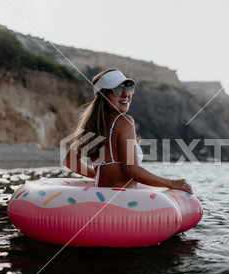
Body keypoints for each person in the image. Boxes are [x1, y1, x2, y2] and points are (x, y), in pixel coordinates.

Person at [63, 69, 193, 194]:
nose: (126, 94)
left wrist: (97, 174)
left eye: (128, 88)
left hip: (102, 198)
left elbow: (70, 161)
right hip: (123, 202)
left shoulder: (93, 125)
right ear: (103, 95)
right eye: (117, 90)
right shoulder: (124, 121)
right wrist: (171, 183)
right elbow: (132, 170)